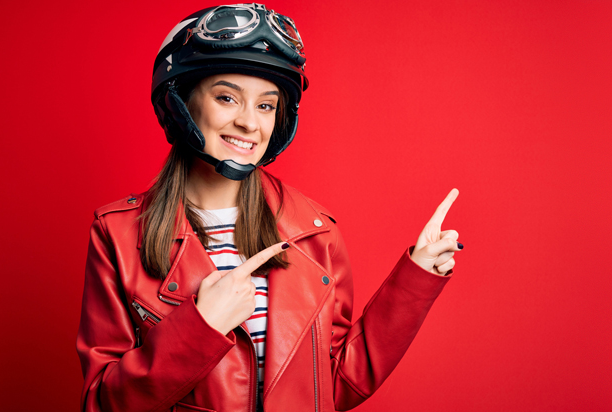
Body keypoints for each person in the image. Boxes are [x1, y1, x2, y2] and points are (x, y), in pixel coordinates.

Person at [76, 4, 462, 412]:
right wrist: (200, 327)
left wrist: (415, 279)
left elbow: (336, 384)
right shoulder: (117, 235)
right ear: (181, 104)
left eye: (266, 105)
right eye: (227, 97)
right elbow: (103, 404)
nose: (249, 123)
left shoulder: (316, 230)